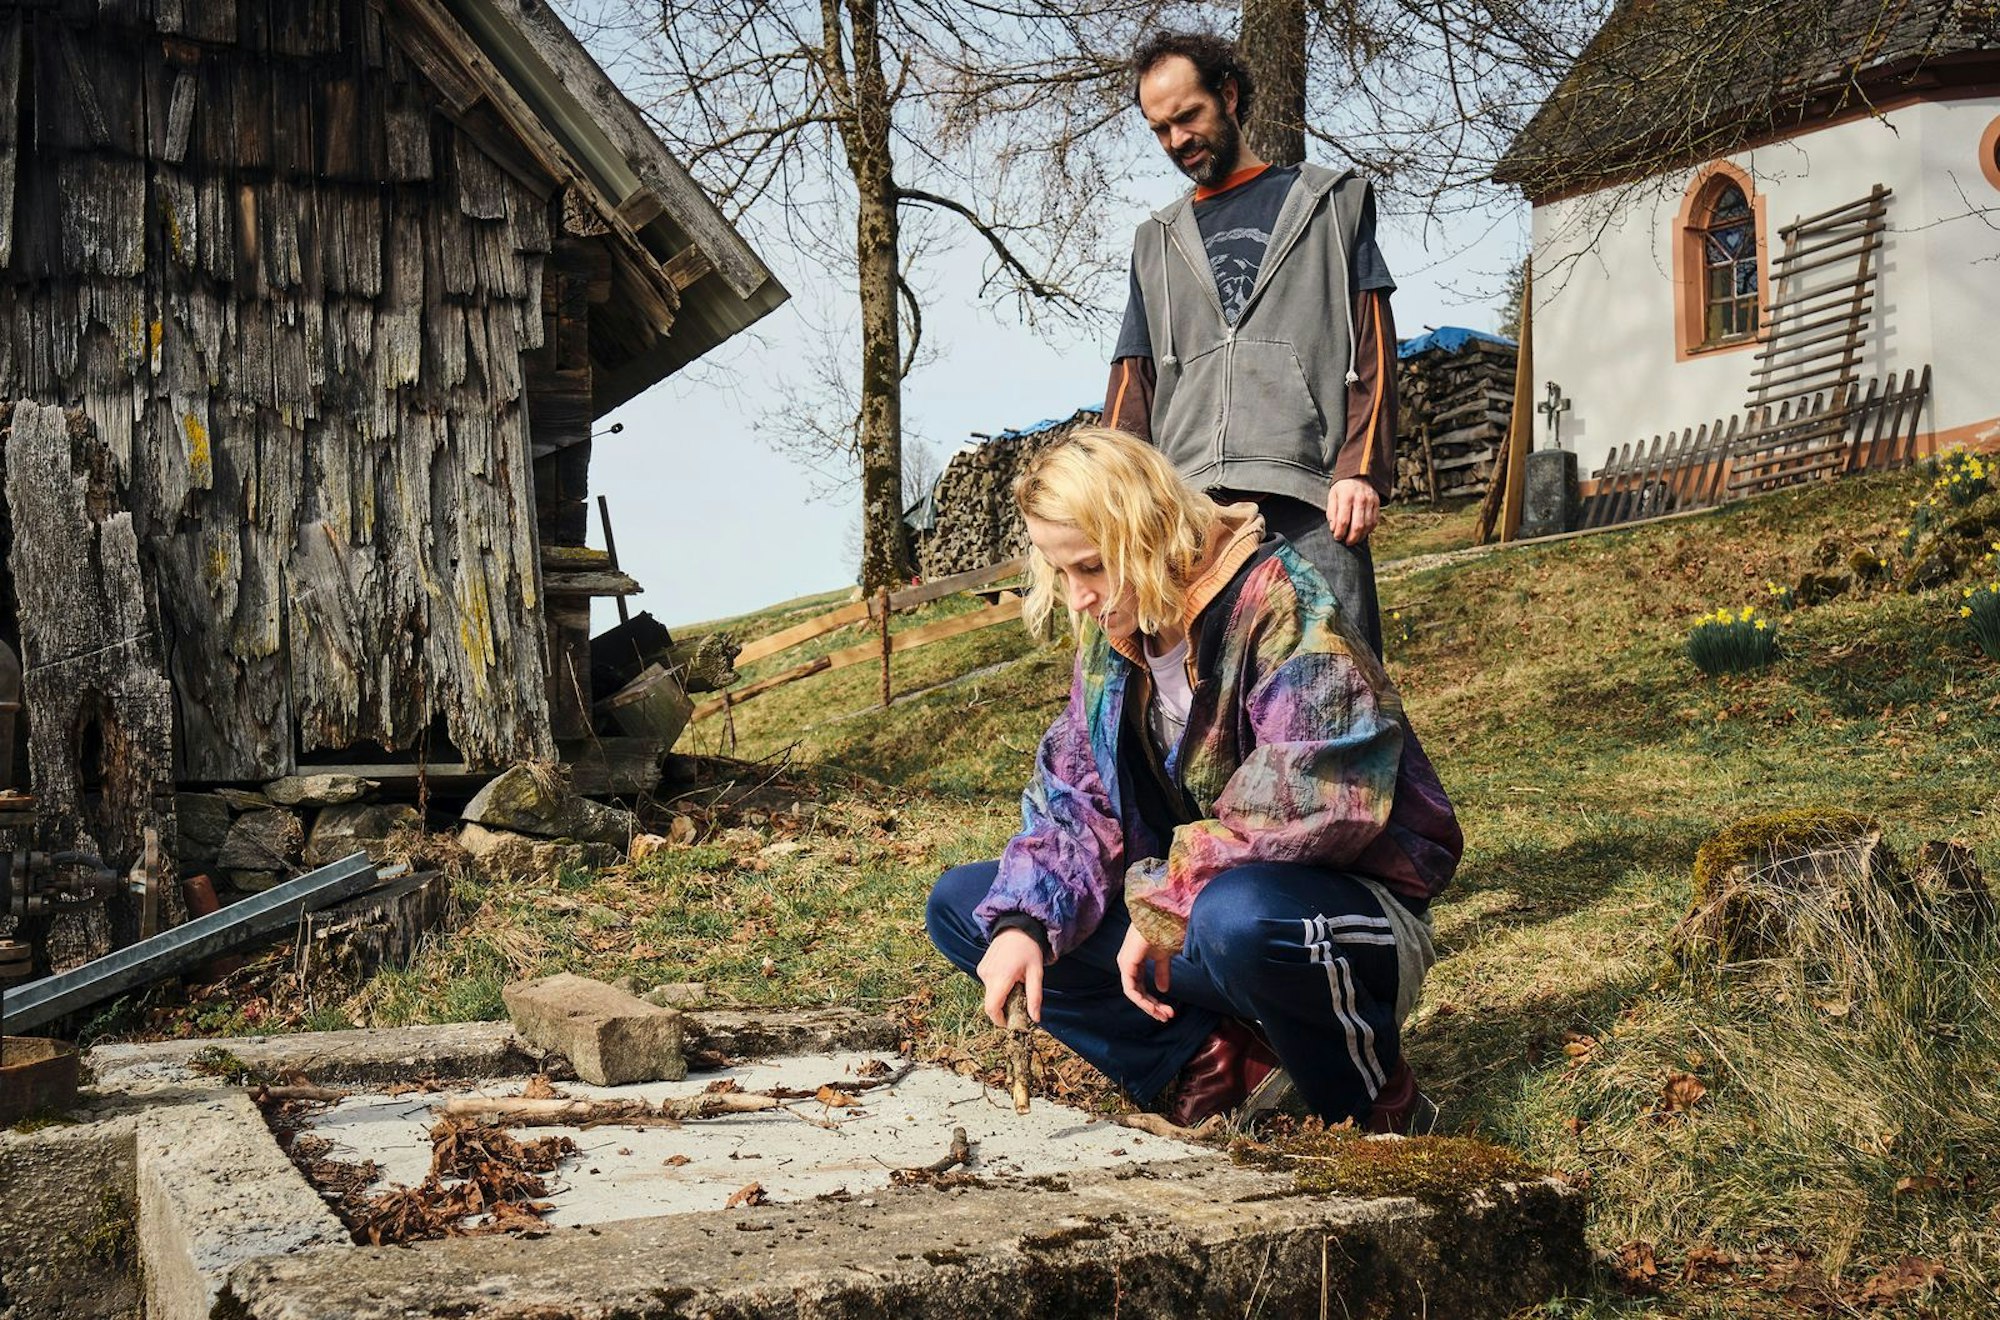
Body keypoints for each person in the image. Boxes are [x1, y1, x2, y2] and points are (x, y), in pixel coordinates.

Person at [925, 428, 1461, 1130]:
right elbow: (1077, 798)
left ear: (1148, 531)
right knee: (967, 907)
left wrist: (1169, 896)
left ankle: (1376, 1104)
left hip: (1336, 923)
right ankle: (1213, 1059)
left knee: (1237, 915)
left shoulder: (1280, 601)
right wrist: (1028, 922)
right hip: (1193, 915)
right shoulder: (1115, 637)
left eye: (1092, 566)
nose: (1079, 597)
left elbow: (1318, 794)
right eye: (1061, 573)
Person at [1104, 30, 1399, 656]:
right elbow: (1133, 381)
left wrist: (1361, 470)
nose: (1177, 140)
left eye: (1188, 116)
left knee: (1338, 698)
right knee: (1211, 708)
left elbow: (1372, 342)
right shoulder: (1155, 242)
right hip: (1193, 521)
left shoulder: (1331, 205)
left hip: (1313, 504)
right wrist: (1116, 509)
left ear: (1230, 95)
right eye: (1160, 129)